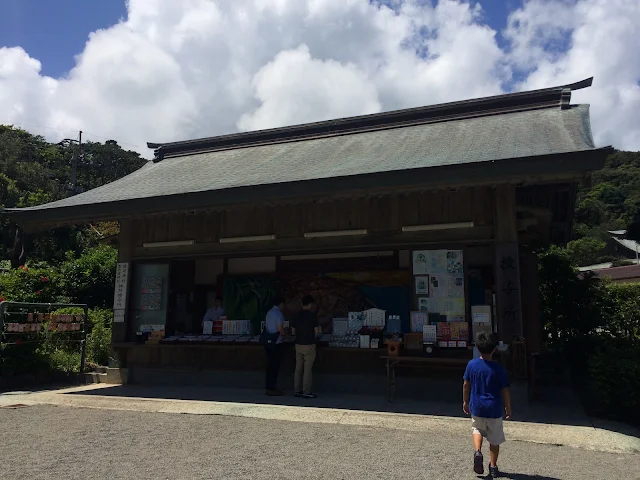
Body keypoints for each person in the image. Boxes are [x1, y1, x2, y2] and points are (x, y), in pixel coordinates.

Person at [463, 332, 512, 477]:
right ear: (494, 349)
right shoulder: (498, 369)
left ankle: (478, 451)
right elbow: (505, 390)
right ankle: (493, 466)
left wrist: (465, 401)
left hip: (477, 406)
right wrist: (508, 407)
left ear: (477, 348)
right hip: (494, 407)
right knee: (494, 439)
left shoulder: (471, 365)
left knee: (477, 429)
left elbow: (466, 385)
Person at [291, 295, 321, 398]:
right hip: (309, 344)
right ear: (310, 304)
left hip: (298, 344)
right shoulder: (312, 316)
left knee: (298, 368)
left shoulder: (296, 315)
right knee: (307, 369)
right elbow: (317, 332)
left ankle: (296, 390)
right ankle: (306, 391)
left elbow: (293, 332)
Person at [264, 296, 287, 396]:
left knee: (270, 366)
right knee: (275, 366)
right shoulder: (279, 313)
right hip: (276, 343)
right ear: (281, 304)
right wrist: (286, 334)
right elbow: (280, 329)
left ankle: (269, 386)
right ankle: (272, 388)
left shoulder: (269, 312)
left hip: (268, 342)